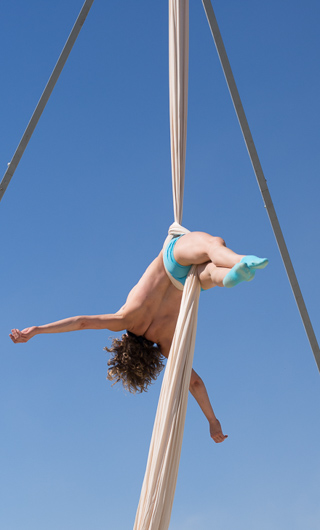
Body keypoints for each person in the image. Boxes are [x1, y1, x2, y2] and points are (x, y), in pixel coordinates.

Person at [9, 231, 268, 444]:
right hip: (171, 263)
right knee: (213, 246)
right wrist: (37, 330)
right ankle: (239, 260)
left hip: (185, 284)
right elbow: (83, 322)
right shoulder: (126, 320)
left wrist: (212, 421)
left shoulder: (166, 341)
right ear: (123, 345)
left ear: (150, 360)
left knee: (212, 274)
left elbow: (195, 383)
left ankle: (233, 276)